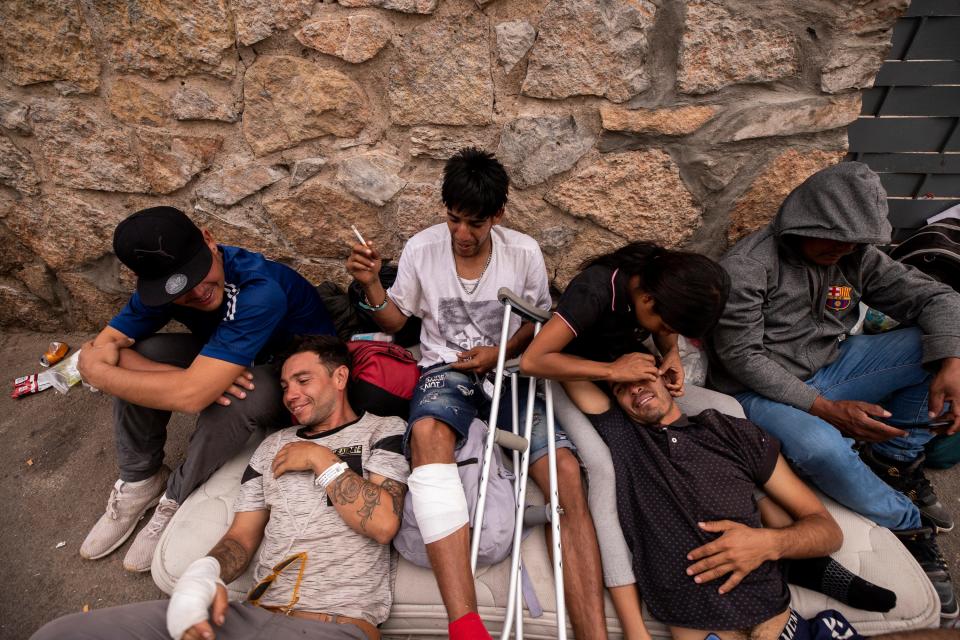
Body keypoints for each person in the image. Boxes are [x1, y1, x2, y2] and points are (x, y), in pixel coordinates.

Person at [345, 148, 607, 639]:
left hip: (510, 372)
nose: (462, 235)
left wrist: (499, 351)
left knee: (566, 474)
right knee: (426, 432)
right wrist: (369, 288)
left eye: (475, 224)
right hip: (447, 371)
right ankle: (465, 626)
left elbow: (539, 324)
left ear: (498, 216)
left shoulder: (524, 252)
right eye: (453, 220)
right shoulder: (424, 248)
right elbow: (396, 321)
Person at [708, 161, 960, 619]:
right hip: (756, 390)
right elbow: (741, 358)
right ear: (801, 222)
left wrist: (952, 363)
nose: (842, 248)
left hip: (834, 366)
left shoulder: (855, 257)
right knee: (822, 449)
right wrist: (827, 410)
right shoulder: (747, 267)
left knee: (943, 343)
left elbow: (938, 298)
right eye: (832, 236)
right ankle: (908, 527)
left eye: (853, 240)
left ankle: (897, 463)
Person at [33, 336, 408, 640]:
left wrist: (319, 459)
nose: (291, 394)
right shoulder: (272, 446)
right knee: (61, 632)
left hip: (334, 623)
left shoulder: (382, 429)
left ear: (340, 378)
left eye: (303, 380)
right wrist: (205, 572)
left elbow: (382, 524)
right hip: (247, 618)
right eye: (285, 385)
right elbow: (242, 537)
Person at [563, 370, 947, 640]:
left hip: (780, 623)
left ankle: (807, 566)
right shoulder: (627, 438)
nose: (633, 389)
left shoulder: (732, 432)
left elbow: (824, 528)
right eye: (621, 387)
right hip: (697, 627)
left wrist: (767, 544)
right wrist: (614, 368)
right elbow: (559, 363)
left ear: (668, 378)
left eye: (643, 376)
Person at [76, 206, 336, 572]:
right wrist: (188, 380)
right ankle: (141, 479)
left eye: (199, 274)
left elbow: (188, 396)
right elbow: (109, 344)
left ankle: (175, 496)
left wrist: (99, 374)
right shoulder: (162, 289)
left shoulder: (260, 289)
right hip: (231, 358)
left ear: (210, 240)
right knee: (138, 357)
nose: (198, 291)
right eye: (179, 289)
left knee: (235, 394)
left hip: (292, 376)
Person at [520, 242, 740, 635]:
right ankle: (634, 625)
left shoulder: (659, 273)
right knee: (604, 470)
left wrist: (670, 355)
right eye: (666, 327)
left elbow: (665, 334)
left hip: (625, 370)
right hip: (570, 373)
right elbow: (535, 361)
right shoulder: (596, 290)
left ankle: (750, 523)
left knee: (730, 410)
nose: (667, 334)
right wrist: (611, 371)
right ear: (648, 300)